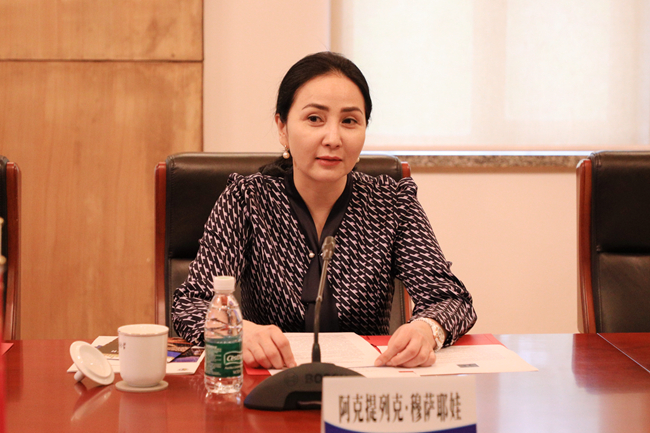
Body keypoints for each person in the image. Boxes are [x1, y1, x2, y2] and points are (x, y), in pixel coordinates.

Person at [172, 51, 476, 370]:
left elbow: (450, 299)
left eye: (349, 121)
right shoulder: (247, 199)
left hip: (364, 384)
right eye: (315, 119)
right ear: (282, 127)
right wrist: (238, 331)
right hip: (268, 381)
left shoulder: (392, 202)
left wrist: (426, 330)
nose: (333, 138)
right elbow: (190, 304)